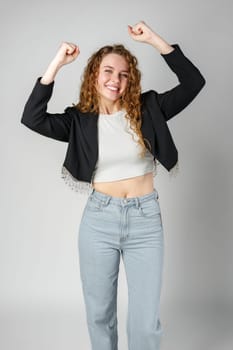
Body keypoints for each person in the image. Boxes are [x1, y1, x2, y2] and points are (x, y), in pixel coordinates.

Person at [21, 21, 206, 350]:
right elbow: (32, 117)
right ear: (94, 75)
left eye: (123, 74)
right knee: (99, 314)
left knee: (146, 322)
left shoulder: (150, 109)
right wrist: (57, 64)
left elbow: (194, 82)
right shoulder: (79, 120)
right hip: (99, 220)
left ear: (130, 79)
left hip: (145, 219)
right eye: (108, 71)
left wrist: (152, 39)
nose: (115, 80)